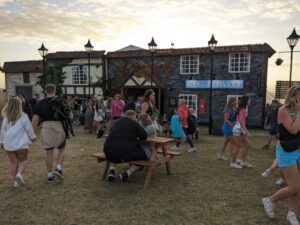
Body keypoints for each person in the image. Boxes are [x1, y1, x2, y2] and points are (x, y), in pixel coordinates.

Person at [262, 85, 300, 225]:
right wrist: (298, 113)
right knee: (295, 187)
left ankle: (291, 213)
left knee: (297, 184)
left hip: (298, 149)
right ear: (294, 96)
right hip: (286, 151)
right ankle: (269, 201)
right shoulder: (283, 110)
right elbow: (294, 130)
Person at [32, 84, 72, 182]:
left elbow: (34, 121)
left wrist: (31, 134)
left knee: (49, 152)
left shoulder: (40, 103)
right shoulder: (61, 101)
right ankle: (58, 167)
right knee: (61, 149)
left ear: (45, 91)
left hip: (46, 127)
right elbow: (70, 116)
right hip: (59, 126)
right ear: (55, 90)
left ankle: (49, 176)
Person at [0, 96, 36, 187]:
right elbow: (29, 129)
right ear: (20, 105)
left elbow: (2, 131)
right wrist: (32, 137)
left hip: (8, 144)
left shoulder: (5, 118)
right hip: (21, 143)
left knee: (13, 163)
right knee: (23, 160)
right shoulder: (24, 116)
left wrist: (1, 142)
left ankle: (15, 182)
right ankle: (19, 175)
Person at [103, 110, 148, 182]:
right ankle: (126, 174)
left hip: (108, 151)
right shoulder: (133, 123)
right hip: (123, 152)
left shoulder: (116, 122)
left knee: (115, 148)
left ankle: (111, 170)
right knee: (144, 156)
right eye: (136, 117)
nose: (136, 119)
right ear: (133, 116)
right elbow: (144, 136)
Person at [231, 95, 252, 169]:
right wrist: (247, 131)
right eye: (249, 100)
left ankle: (243, 162)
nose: (250, 101)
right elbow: (241, 121)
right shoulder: (242, 109)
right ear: (246, 101)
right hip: (239, 128)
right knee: (237, 146)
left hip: (241, 128)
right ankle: (233, 163)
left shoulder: (244, 109)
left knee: (247, 144)